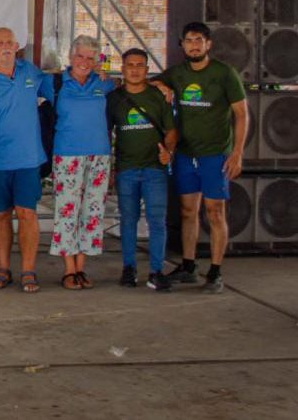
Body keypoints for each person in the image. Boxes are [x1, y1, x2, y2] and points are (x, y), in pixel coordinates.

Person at [153, 22, 247, 294]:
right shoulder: (178, 73)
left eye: (199, 40)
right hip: (185, 154)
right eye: (188, 40)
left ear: (208, 44)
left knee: (215, 212)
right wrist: (161, 86)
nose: (193, 45)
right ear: (181, 44)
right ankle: (189, 265)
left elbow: (242, 114)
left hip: (215, 155)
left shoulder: (224, 74)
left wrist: (237, 153)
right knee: (187, 212)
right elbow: (150, 83)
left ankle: (215, 272)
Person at [0, 27, 51, 294]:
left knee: (27, 214)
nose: (5, 46)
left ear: (16, 46)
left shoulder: (32, 73)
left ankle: (28, 271)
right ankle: (3, 268)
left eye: (9, 42)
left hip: (28, 160)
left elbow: (66, 86)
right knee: (1, 214)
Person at [48, 35, 116, 290]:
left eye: (90, 58)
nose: (84, 62)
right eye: (80, 56)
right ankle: (68, 269)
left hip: (99, 156)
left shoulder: (104, 84)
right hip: (67, 155)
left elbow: (128, 86)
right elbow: (23, 78)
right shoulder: (55, 82)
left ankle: (81, 267)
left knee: (92, 212)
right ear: (70, 57)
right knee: (67, 211)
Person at [108, 48, 178, 292]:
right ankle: (129, 269)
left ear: (147, 70)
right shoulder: (114, 99)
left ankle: (156, 271)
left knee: (157, 221)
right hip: (126, 169)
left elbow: (171, 131)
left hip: (154, 170)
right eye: (130, 65)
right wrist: (108, 166)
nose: (135, 69)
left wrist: (167, 151)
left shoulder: (158, 96)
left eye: (140, 65)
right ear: (123, 69)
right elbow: (106, 132)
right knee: (128, 221)